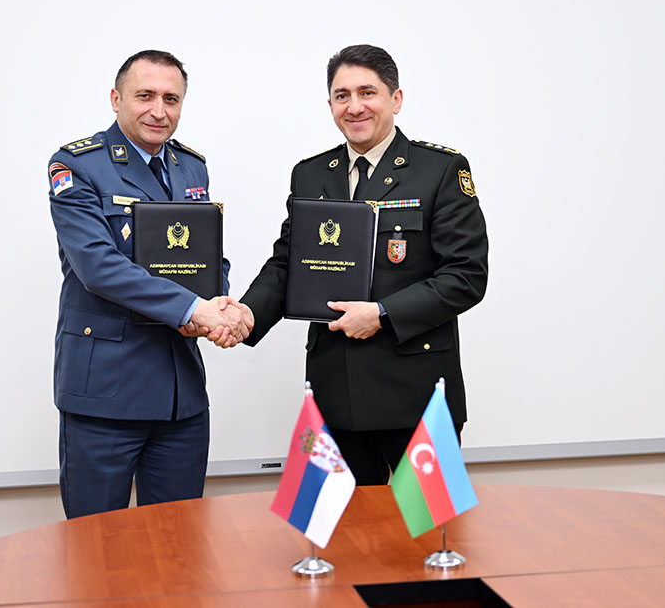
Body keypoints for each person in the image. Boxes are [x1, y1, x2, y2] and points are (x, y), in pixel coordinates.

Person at [223, 44, 489, 485]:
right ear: (330, 105)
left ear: (395, 99)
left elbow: (466, 276)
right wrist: (247, 315)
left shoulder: (440, 170)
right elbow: (288, 263)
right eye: (342, 95)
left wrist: (381, 314)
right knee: (343, 526)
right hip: (335, 393)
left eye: (368, 92)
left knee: (427, 523)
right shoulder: (311, 174)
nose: (354, 106)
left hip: (417, 398)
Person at [47, 50, 250, 518]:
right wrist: (194, 309)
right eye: (145, 96)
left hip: (180, 395)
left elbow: (205, 257)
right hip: (105, 394)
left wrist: (218, 305)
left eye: (171, 99)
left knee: (179, 541)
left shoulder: (190, 167)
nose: (159, 110)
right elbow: (98, 266)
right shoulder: (77, 165)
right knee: (97, 543)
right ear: (116, 99)